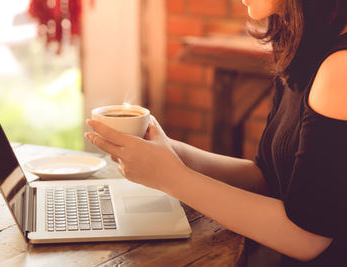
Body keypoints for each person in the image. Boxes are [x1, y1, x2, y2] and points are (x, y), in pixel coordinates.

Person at [85, 0, 347, 266]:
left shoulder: (341, 67)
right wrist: (169, 151)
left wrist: (172, 178)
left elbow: (308, 238)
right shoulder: (302, 46)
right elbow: (269, 179)